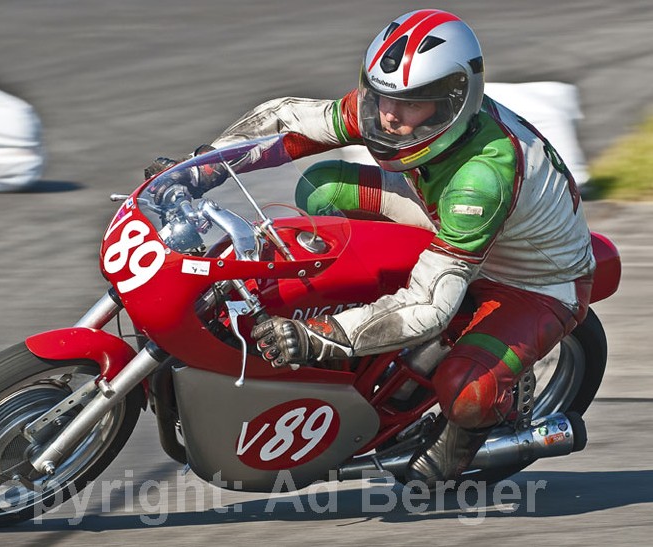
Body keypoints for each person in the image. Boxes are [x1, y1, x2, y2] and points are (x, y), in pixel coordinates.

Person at [146, 9, 595, 488]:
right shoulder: (398, 114)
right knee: (322, 189)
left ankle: (474, 437)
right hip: (449, 218)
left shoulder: (481, 178)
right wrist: (204, 166)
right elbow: (290, 122)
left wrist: (321, 336)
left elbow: (430, 306)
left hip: (533, 280)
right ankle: (361, 329)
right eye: (381, 96)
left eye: (410, 104)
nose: (388, 115)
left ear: (452, 103)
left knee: (465, 390)